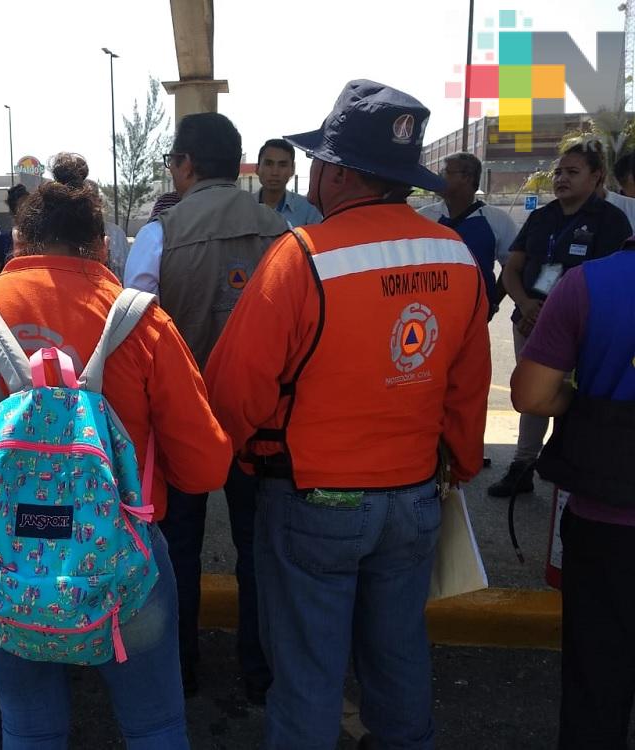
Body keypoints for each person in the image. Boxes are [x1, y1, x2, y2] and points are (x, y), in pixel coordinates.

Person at [0, 154, 231, 749]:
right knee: (154, 724)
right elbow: (206, 468)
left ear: (18, 242)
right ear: (102, 248)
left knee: (28, 724)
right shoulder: (143, 323)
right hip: (122, 563)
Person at [205, 79, 491, 749]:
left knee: (307, 676)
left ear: (332, 171)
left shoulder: (302, 258)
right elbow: (468, 387)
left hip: (314, 502)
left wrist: (235, 456)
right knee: (398, 660)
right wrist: (463, 466)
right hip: (415, 500)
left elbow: (234, 390)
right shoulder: (455, 255)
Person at [124, 112, 287, 702]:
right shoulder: (283, 231)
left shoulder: (158, 235)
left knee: (177, 548)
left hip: (183, 421)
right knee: (259, 548)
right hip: (262, 423)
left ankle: (180, 665)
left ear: (186, 165)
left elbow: (134, 335)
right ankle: (260, 669)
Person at [509, 246, 635, 749]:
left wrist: (585, 405)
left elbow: (533, 396)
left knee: (597, 685)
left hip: (608, 522)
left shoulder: (587, 285)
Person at [489, 140, 632, 497]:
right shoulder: (541, 217)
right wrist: (523, 305)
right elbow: (513, 268)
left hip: (581, 329)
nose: (561, 179)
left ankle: (571, 467)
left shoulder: (610, 221)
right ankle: (522, 466)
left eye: (572, 172)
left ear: (596, 176)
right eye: (558, 172)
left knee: (577, 397)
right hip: (530, 320)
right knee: (533, 395)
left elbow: (608, 280)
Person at [419, 151, 518, 318]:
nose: (439, 177)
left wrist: (493, 302)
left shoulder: (498, 220)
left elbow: (512, 265)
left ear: (467, 177)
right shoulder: (423, 217)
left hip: (475, 316)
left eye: (445, 172)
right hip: (428, 315)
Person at [255, 138, 322, 227]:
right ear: (257, 168)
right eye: (269, 164)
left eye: (282, 165)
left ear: (293, 169)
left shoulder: (309, 210)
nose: (275, 172)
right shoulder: (243, 208)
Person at [0, 183, 28, 276]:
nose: (30, 210)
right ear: (13, 212)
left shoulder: (43, 240)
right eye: (23, 207)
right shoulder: (1, 242)